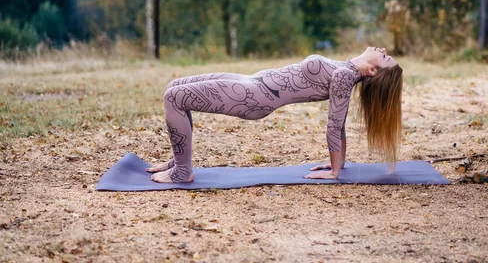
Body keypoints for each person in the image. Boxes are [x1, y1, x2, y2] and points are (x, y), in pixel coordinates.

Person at [147, 47, 403, 183]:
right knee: (175, 87)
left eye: (385, 57)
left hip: (253, 97)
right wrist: (340, 162)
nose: (382, 49)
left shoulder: (345, 76)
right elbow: (342, 121)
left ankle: (183, 171)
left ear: (372, 71)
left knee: (174, 98)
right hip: (250, 82)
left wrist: (335, 171)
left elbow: (336, 124)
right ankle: (178, 160)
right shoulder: (345, 69)